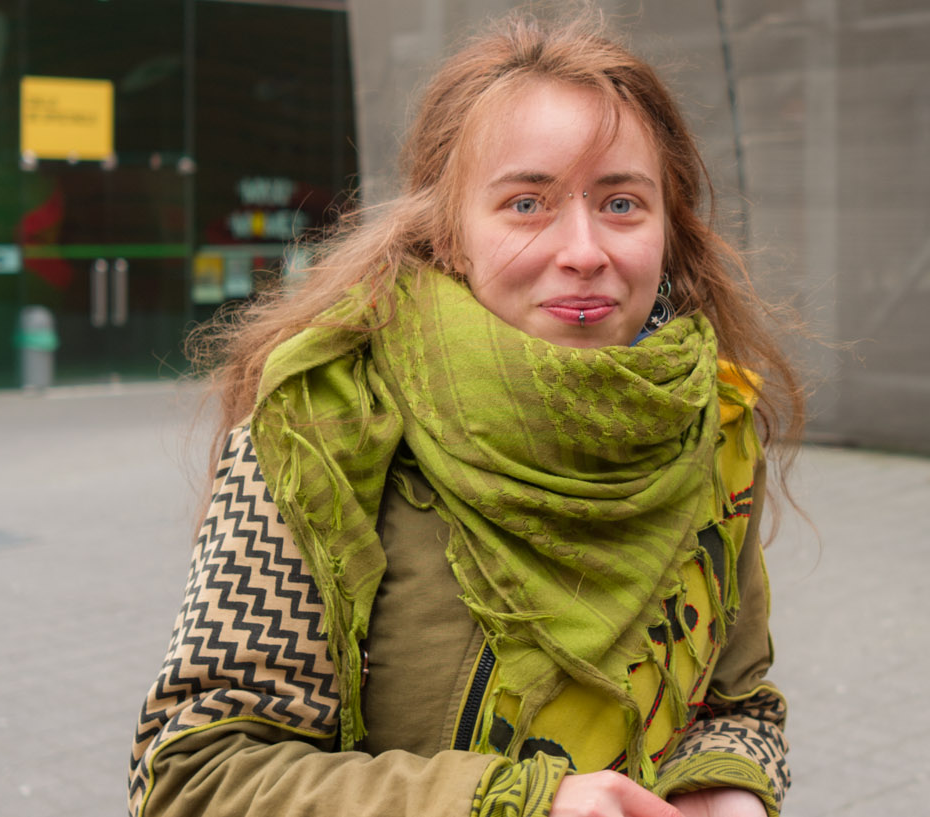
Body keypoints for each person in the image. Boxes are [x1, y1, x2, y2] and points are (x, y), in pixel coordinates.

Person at [130, 9, 803, 817]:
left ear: (667, 227)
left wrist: (728, 791)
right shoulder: (322, 423)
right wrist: (524, 805)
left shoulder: (716, 424)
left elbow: (738, 704)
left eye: (622, 203)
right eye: (528, 204)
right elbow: (197, 777)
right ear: (451, 232)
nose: (585, 249)